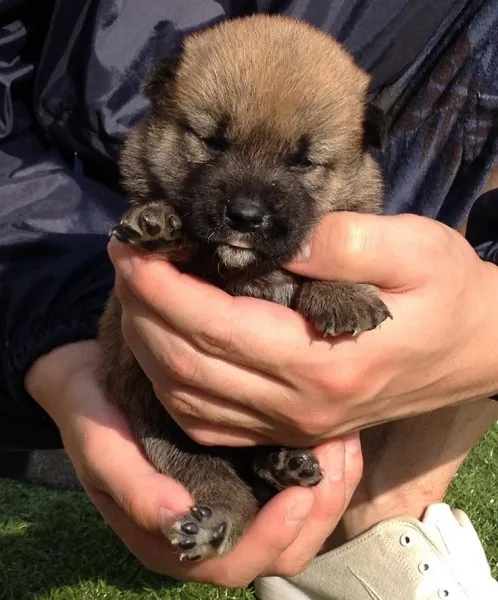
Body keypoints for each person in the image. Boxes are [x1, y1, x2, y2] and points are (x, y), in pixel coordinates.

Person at [1, 1, 497, 599]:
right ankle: (224, 510)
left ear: (363, 146)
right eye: (213, 142)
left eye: (302, 162)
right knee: (176, 445)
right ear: (159, 103)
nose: (248, 205)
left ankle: (369, 520)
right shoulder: (158, 211)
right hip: (154, 397)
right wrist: (61, 350)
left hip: (345, 408)